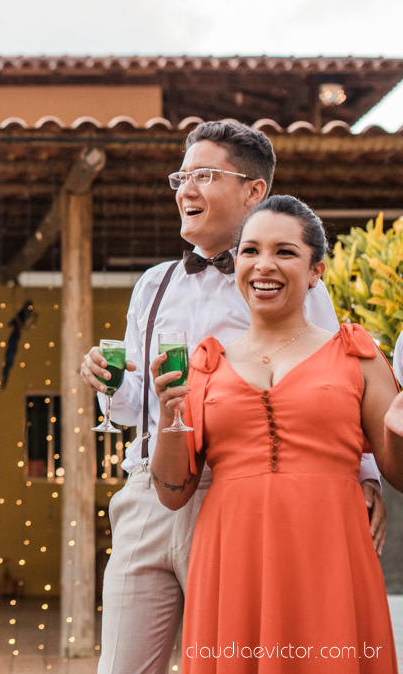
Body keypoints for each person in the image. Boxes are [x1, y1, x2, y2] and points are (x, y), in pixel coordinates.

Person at [79, 120, 385, 674]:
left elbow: (334, 384)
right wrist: (110, 381)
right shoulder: (154, 284)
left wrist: (363, 474)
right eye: (181, 176)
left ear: (253, 190)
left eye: (204, 175)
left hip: (233, 497)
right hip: (147, 490)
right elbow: (131, 408)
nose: (185, 190)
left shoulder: (289, 281)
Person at [150, 195, 402, 673]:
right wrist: (168, 415)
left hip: (331, 552)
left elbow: (399, 473)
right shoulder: (205, 364)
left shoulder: (358, 356)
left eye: (285, 252)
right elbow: (173, 493)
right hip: (233, 558)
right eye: (250, 251)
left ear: (316, 271)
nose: (264, 265)